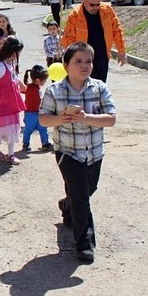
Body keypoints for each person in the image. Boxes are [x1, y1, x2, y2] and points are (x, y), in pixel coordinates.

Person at [39, 42, 117, 263]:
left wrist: (86, 118)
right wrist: (60, 118)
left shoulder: (100, 88)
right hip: (68, 153)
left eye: (89, 61)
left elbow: (111, 119)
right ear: (65, 65)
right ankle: (84, 244)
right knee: (82, 198)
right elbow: (43, 119)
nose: (84, 66)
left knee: (87, 190)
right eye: (78, 61)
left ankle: (67, 204)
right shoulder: (55, 91)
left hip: (94, 153)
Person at [62, 0, 127, 83]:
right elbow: (68, 40)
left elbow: (117, 31)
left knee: (100, 87)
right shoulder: (75, 16)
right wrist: (70, 60)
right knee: (86, 87)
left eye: (98, 4)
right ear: (84, 1)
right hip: (83, 60)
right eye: (92, 5)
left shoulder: (108, 11)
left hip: (102, 57)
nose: (95, 7)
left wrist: (121, 52)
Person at [0, 37, 27, 165]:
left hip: (12, 101)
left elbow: (13, 76)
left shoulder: (11, 64)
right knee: (1, 127)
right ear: (12, 51)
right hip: (2, 102)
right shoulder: (0, 65)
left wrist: (21, 84)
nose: (19, 54)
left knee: (13, 128)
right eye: (18, 52)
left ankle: (11, 154)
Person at [21, 64, 52, 152]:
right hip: (30, 113)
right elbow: (22, 90)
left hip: (37, 112)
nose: (45, 82)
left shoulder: (34, 87)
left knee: (43, 128)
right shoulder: (29, 88)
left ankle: (45, 143)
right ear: (38, 80)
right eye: (44, 80)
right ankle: (26, 144)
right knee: (29, 129)